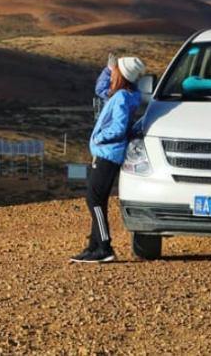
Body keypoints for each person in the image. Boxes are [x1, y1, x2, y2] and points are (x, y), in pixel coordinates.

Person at [71, 55, 146, 264]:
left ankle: (104, 245)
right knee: (97, 199)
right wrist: (108, 69)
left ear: (120, 75)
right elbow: (101, 90)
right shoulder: (127, 94)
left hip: (107, 153)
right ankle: (94, 246)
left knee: (94, 199)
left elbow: (119, 128)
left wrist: (99, 137)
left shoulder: (121, 97)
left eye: (115, 71)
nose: (112, 72)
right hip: (108, 153)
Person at [92, 52, 116, 119]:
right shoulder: (105, 76)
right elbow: (99, 90)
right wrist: (110, 92)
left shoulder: (110, 74)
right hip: (105, 104)